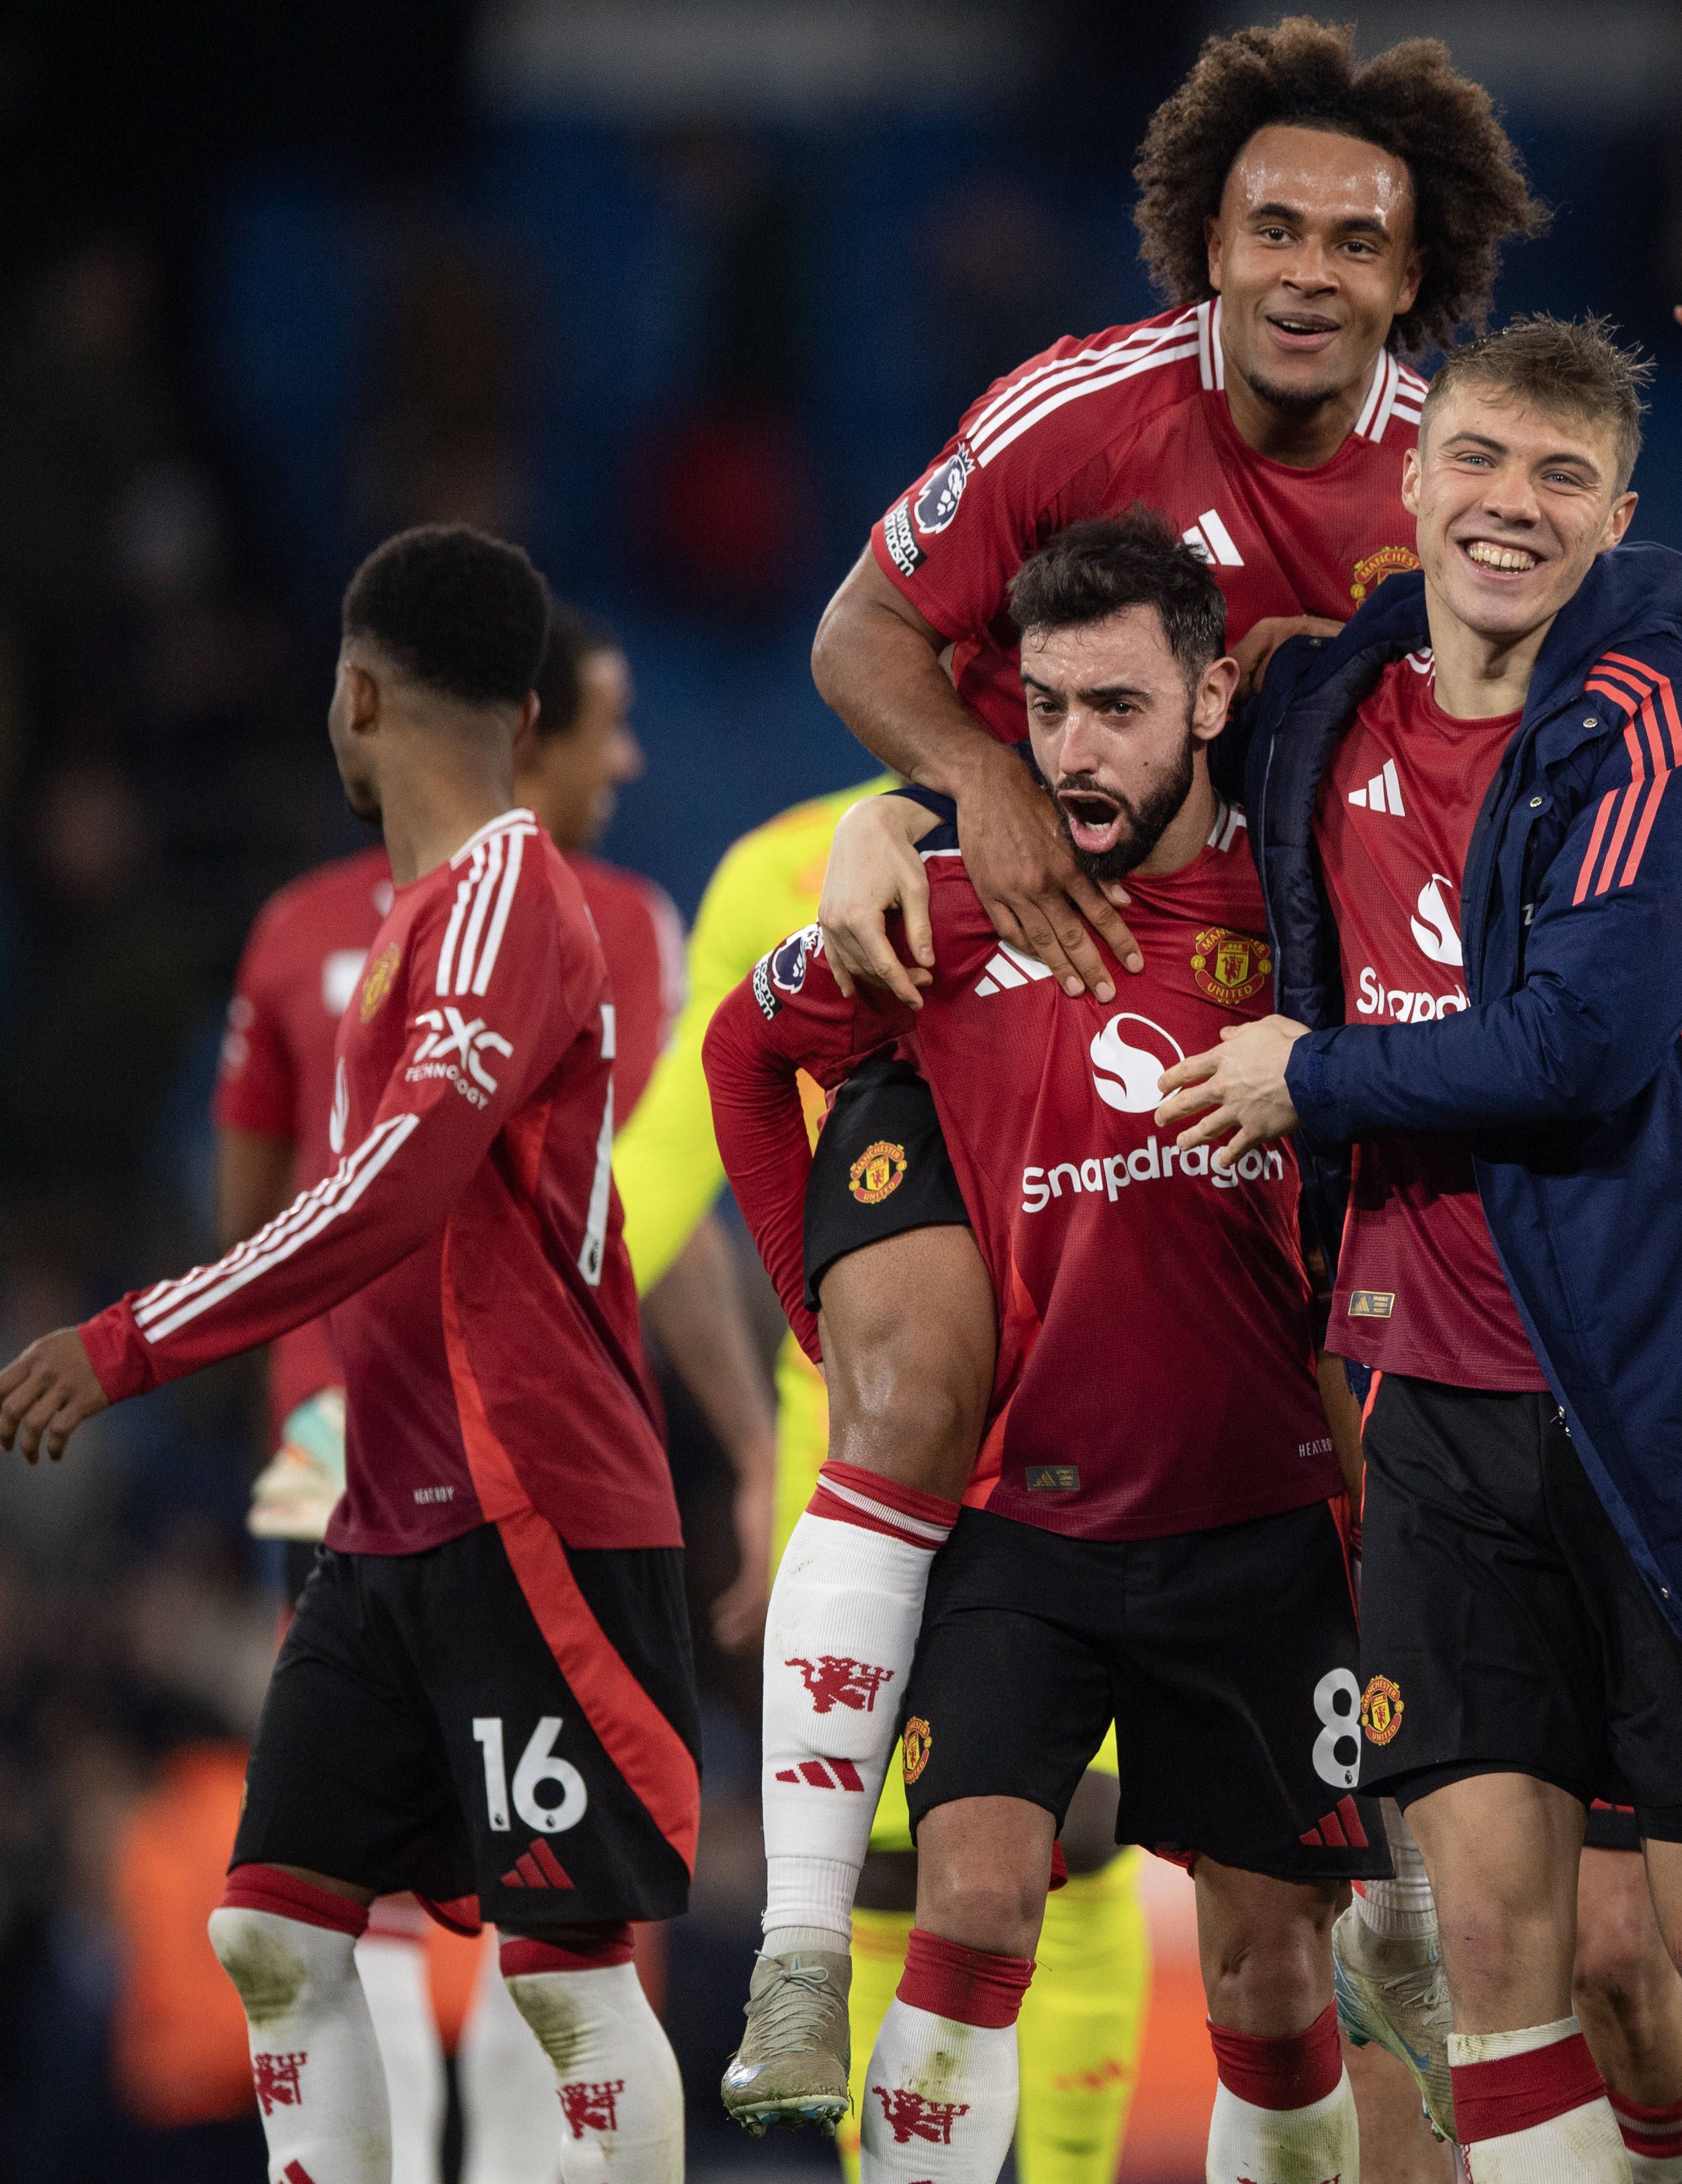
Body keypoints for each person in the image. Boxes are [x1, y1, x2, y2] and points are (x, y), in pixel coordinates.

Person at [732, 14, 1545, 2121]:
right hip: (999, 948)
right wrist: (961, 789)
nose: (1300, 267)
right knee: (912, 1371)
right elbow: (853, 640)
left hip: (1287, 997)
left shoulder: (1453, 467)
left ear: (1409, 270)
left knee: (1374, 1409)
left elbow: (1543, 742)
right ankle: (803, 1939)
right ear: (1201, 236)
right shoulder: (1072, 411)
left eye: (1350, 240)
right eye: (1265, 222)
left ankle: (1399, 1863)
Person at [1144, 312, 1682, 2184]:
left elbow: (1578, 1048)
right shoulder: (1321, 711)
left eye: (1560, 476)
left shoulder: (1667, 729)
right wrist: (898, 828)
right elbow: (1102, 770)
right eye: (1478, 458)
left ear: (1612, 515)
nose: (1508, 505)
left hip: (1675, 1414)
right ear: (1414, 480)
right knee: (1499, 1965)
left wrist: (1308, 1074)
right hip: (1438, 1419)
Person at [0, 524, 698, 2184]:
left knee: (566, 1976)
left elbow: (386, 1191)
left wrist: (127, 1339)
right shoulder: (409, 918)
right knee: (275, 1933)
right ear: (530, 711)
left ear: (354, 697)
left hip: (533, 1508)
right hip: (383, 1506)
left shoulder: (513, 896)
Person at [707, 512, 1383, 2184]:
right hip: (1026, 1533)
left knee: (1270, 1967)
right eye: (1047, 710)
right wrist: (815, 1315)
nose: (1071, 754)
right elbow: (739, 1050)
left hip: (1263, 1525)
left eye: (1116, 710)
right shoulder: (943, 917)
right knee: (976, 1902)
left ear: (1212, 696)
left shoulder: (1306, 907)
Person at [207, 599, 760, 2183]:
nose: (631, 757)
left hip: (460, 1459)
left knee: (486, 1896)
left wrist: (730, 1437)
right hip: (415, 1462)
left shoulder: (556, 923)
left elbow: (629, 1199)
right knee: (377, 1889)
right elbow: (257, 1219)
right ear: (523, 728)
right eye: (608, 724)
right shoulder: (351, 928)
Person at [609, 776, 1162, 2181]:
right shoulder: (1111, 822)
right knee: (1075, 1842)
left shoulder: (779, 858)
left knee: (898, 1874)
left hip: (859, 1434)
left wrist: (750, 1422)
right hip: (1082, 1414)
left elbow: (649, 1193)